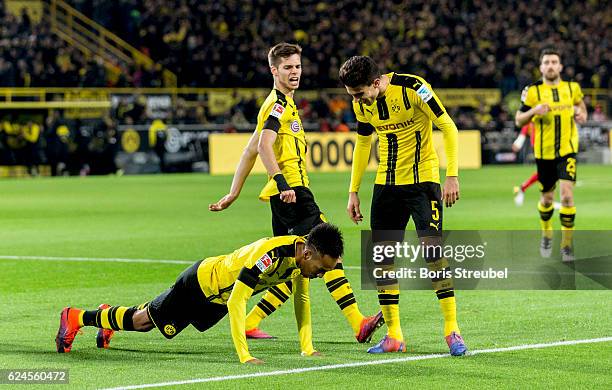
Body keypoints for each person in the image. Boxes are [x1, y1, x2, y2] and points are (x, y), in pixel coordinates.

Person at [209, 42, 383, 343]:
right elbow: (263, 146)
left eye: (297, 66)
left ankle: (251, 320)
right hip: (292, 192)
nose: (294, 72)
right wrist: (282, 182)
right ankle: (357, 322)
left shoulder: (283, 105)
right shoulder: (277, 105)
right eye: (288, 67)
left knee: (295, 265)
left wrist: (233, 193)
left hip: (285, 195)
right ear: (274, 70)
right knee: (329, 250)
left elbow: (251, 149)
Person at [55, 223, 343, 364]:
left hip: (215, 298)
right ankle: (77, 317)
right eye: (321, 268)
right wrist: (244, 355)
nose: (320, 275)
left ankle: (110, 316)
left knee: (152, 317)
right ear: (308, 253)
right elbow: (238, 300)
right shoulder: (268, 255)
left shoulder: (299, 264)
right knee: (144, 323)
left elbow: (301, 301)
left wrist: (307, 348)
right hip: (200, 284)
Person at [338, 56, 467, 356]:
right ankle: (394, 335)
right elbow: (362, 144)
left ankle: (452, 329)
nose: (356, 100)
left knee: (433, 255)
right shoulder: (361, 104)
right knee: (382, 258)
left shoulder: (413, 88)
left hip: (423, 183)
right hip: (386, 185)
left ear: (376, 82)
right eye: (351, 95)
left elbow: (448, 126)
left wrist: (452, 175)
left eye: (358, 93)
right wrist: (353, 190)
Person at [514, 48, 587, 262]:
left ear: (560, 66)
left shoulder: (572, 88)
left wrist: (582, 114)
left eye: (554, 62)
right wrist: (533, 112)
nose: (551, 66)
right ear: (541, 67)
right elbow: (519, 120)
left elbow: (581, 107)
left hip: (567, 150)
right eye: (546, 62)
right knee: (546, 199)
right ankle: (546, 233)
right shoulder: (533, 91)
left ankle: (566, 244)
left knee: (566, 196)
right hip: (544, 153)